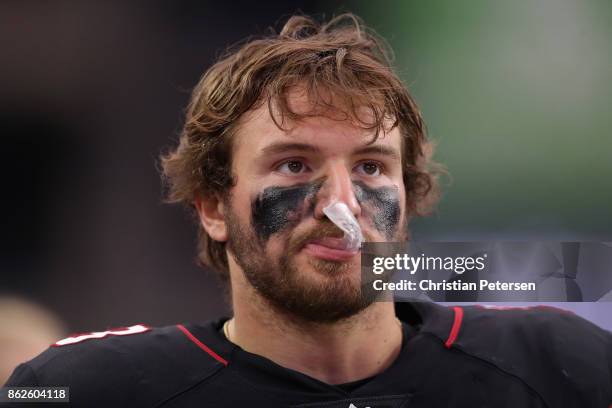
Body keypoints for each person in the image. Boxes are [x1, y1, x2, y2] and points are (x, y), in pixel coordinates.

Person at [4, 13, 611, 408]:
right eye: (294, 166)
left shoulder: (564, 366)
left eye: (371, 167)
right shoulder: (86, 391)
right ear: (214, 206)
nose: (342, 204)